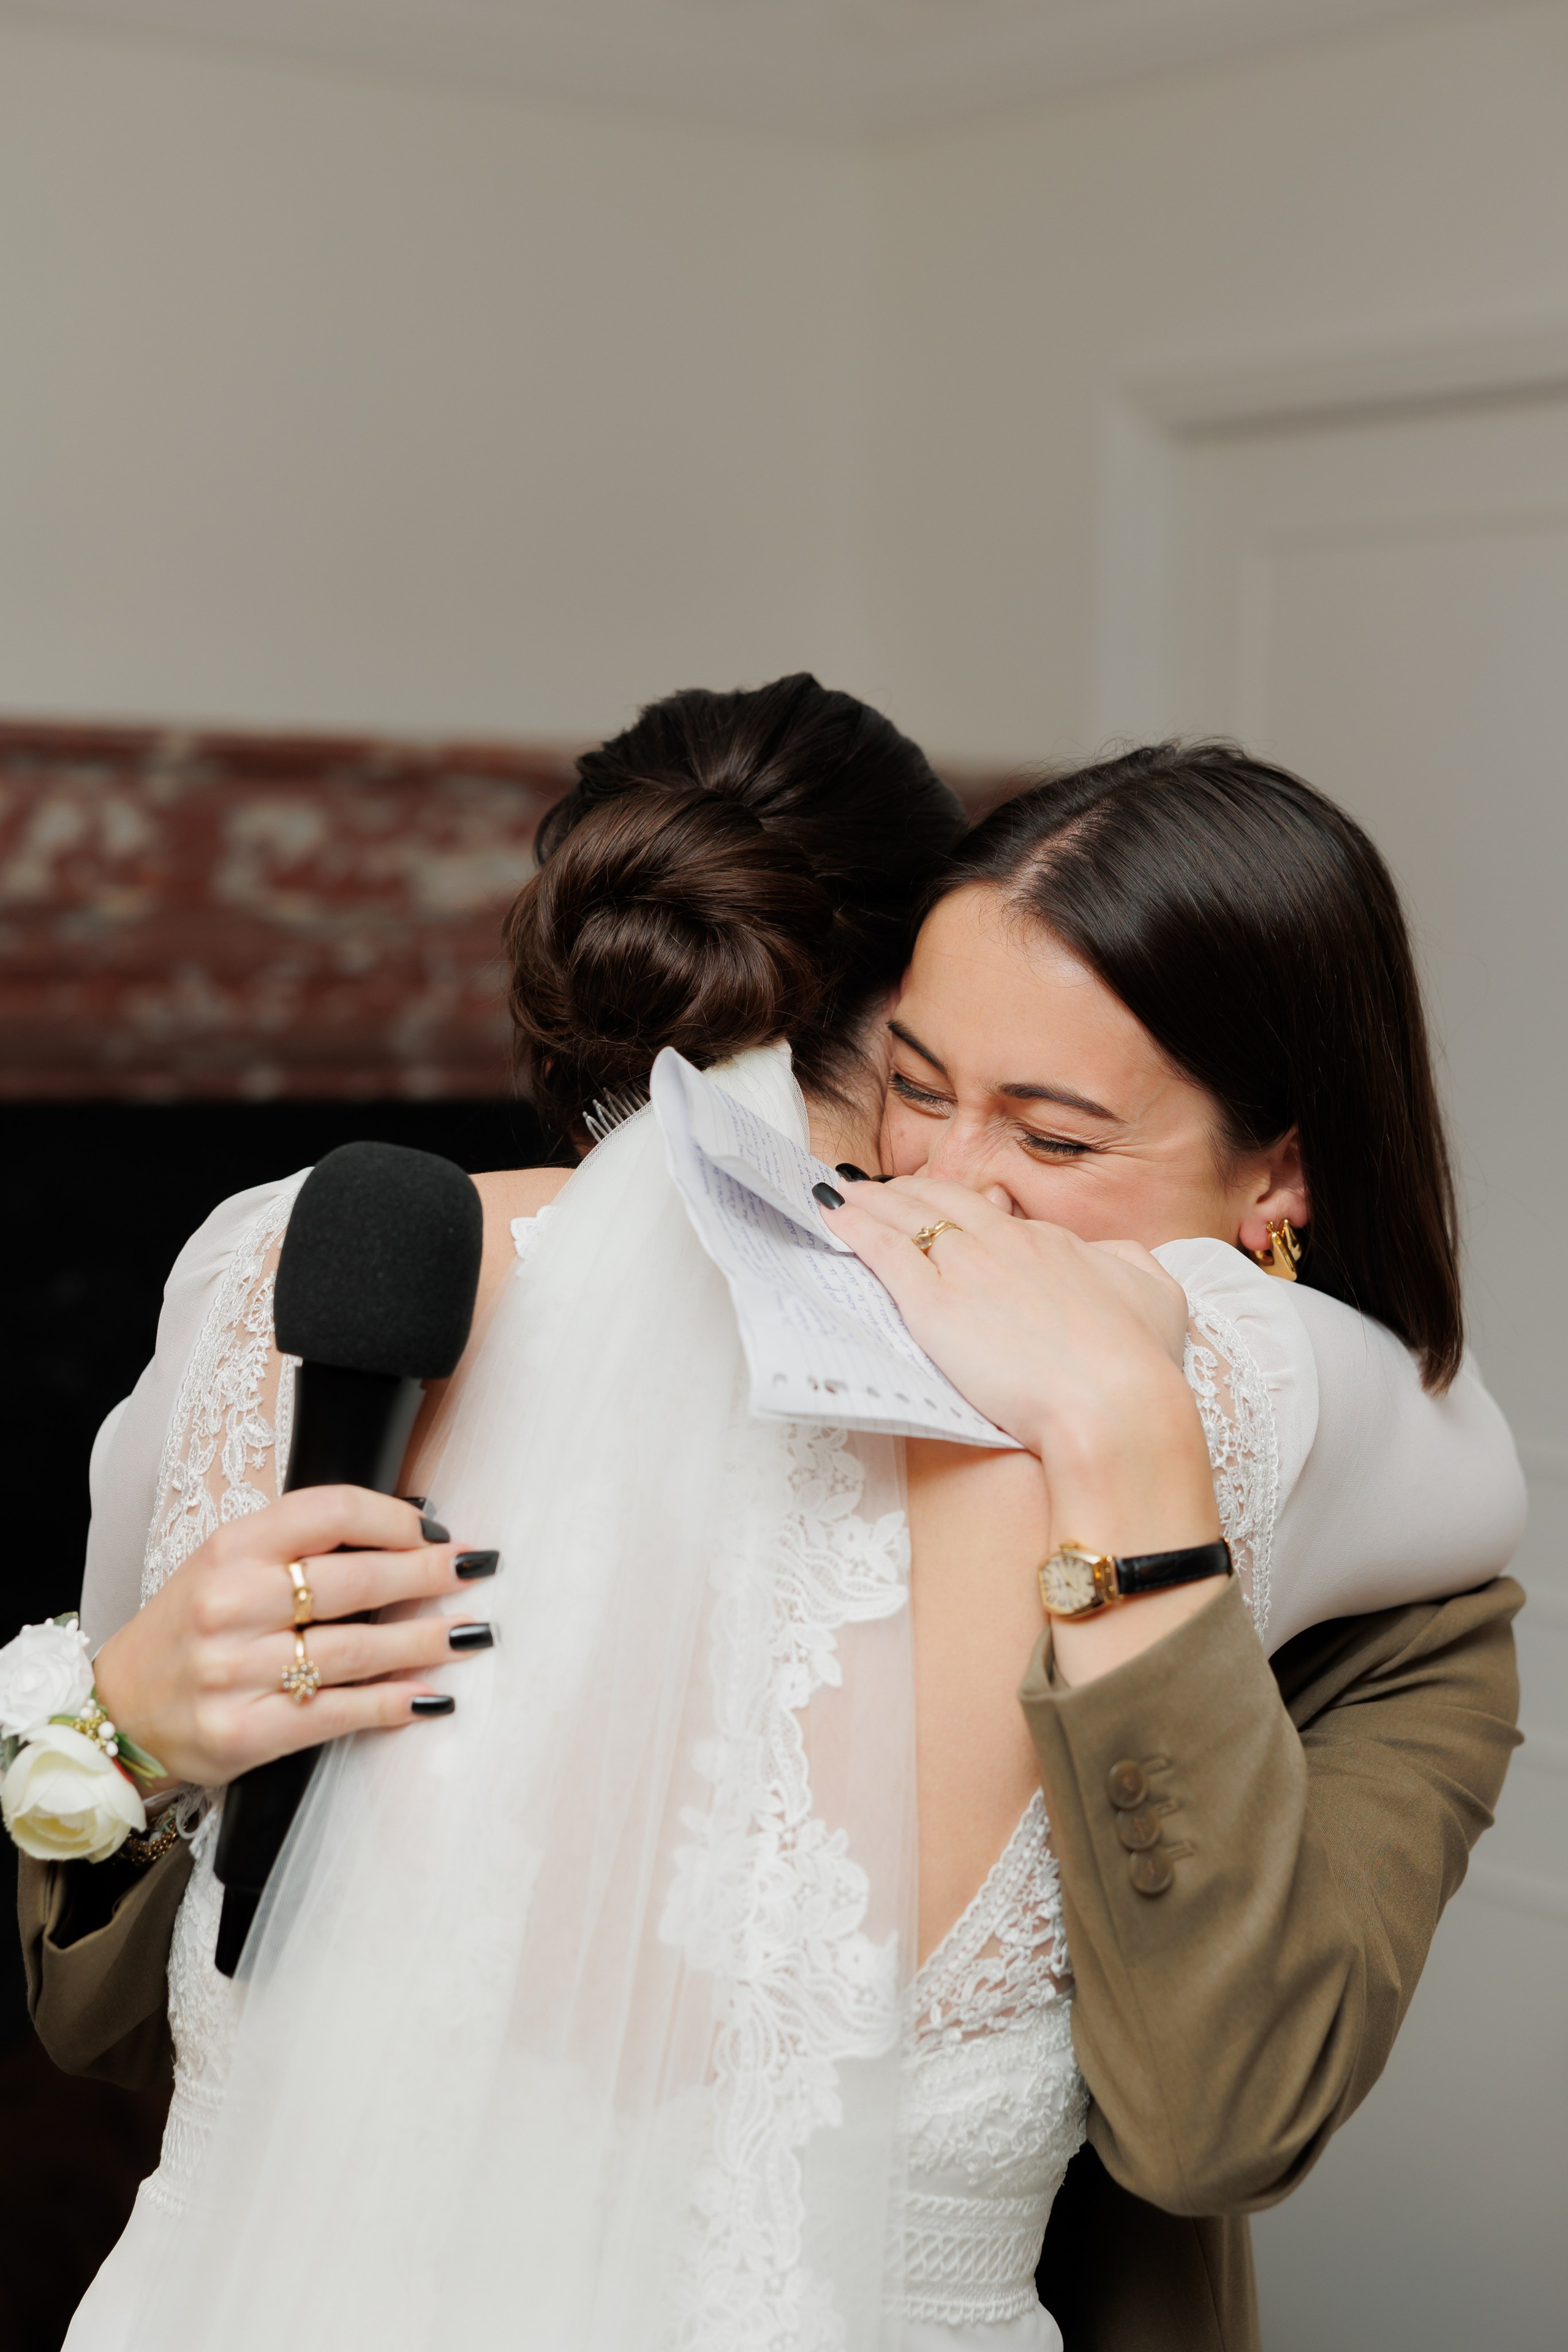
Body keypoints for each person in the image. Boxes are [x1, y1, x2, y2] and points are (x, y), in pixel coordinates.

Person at [24, 701, 1521, 2351]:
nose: (943, 1189)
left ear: (1281, 1180)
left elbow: (1221, 2126)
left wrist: (1126, 1421)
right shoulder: (322, 1301)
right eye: (916, 1090)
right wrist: (131, 1736)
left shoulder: (1312, 1474)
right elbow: (120, 2010)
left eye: (1058, 1137)